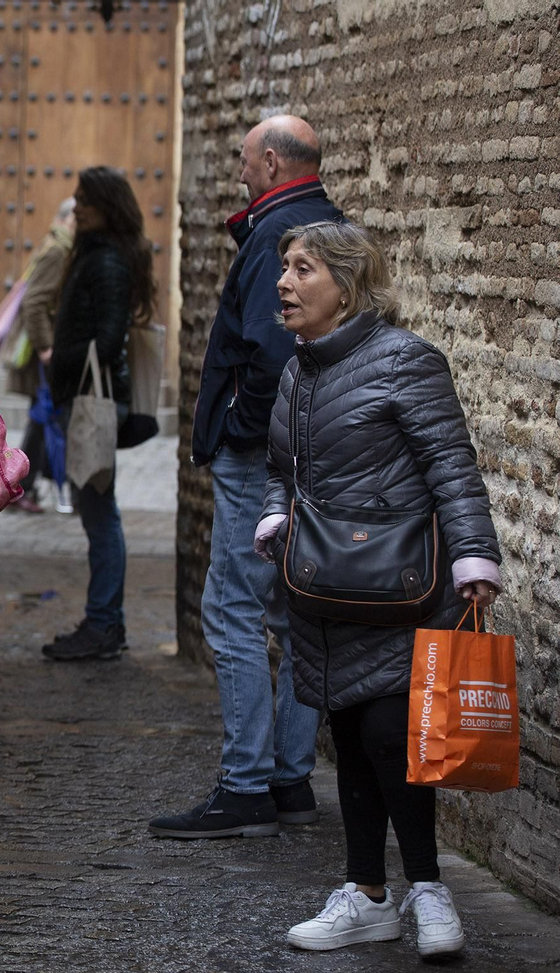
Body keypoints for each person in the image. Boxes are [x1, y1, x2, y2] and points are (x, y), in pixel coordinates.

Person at [257, 221, 498, 958]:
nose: (285, 282)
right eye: (285, 268)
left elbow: (452, 466)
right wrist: (274, 515)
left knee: (394, 734)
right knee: (352, 738)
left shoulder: (407, 361)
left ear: (348, 282)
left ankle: (428, 890)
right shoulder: (299, 370)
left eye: (303, 268)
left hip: (400, 586)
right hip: (325, 591)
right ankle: (366, 895)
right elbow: (280, 467)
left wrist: (474, 560)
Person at [150, 116, 342, 838]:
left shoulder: (275, 236)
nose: (238, 173)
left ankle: (246, 784)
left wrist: (238, 428)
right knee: (294, 616)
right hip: (307, 444)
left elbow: (268, 350)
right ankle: (290, 779)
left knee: (232, 607)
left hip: (260, 451)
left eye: (242, 161)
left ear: (269, 160)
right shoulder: (330, 222)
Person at [41, 167, 156, 662]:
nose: (77, 204)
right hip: (81, 398)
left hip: (91, 402)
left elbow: (108, 341)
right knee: (98, 513)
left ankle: (103, 624)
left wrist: (58, 356)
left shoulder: (106, 260)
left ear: (107, 205)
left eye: (86, 198)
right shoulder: (93, 254)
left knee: (100, 516)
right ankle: (107, 622)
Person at [9, 197, 76, 513]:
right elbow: (34, 303)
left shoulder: (57, 246)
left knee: (44, 417)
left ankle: (27, 485)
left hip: (48, 351)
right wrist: (46, 347)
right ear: (70, 218)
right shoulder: (58, 250)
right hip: (46, 353)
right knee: (45, 417)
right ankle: (26, 486)